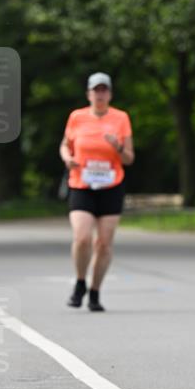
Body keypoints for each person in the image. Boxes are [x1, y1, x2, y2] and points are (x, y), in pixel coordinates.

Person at [59, 72, 134, 311]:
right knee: (82, 238)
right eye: (96, 90)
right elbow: (64, 145)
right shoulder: (77, 117)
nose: (100, 94)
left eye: (104, 90)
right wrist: (67, 158)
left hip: (111, 186)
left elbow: (129, 158)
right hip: (81, 184)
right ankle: (80, 282)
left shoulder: (121, 118)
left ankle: (94, 291)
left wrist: (117, 146)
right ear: (89, 93)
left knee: (103, 243)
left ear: (109, 94)